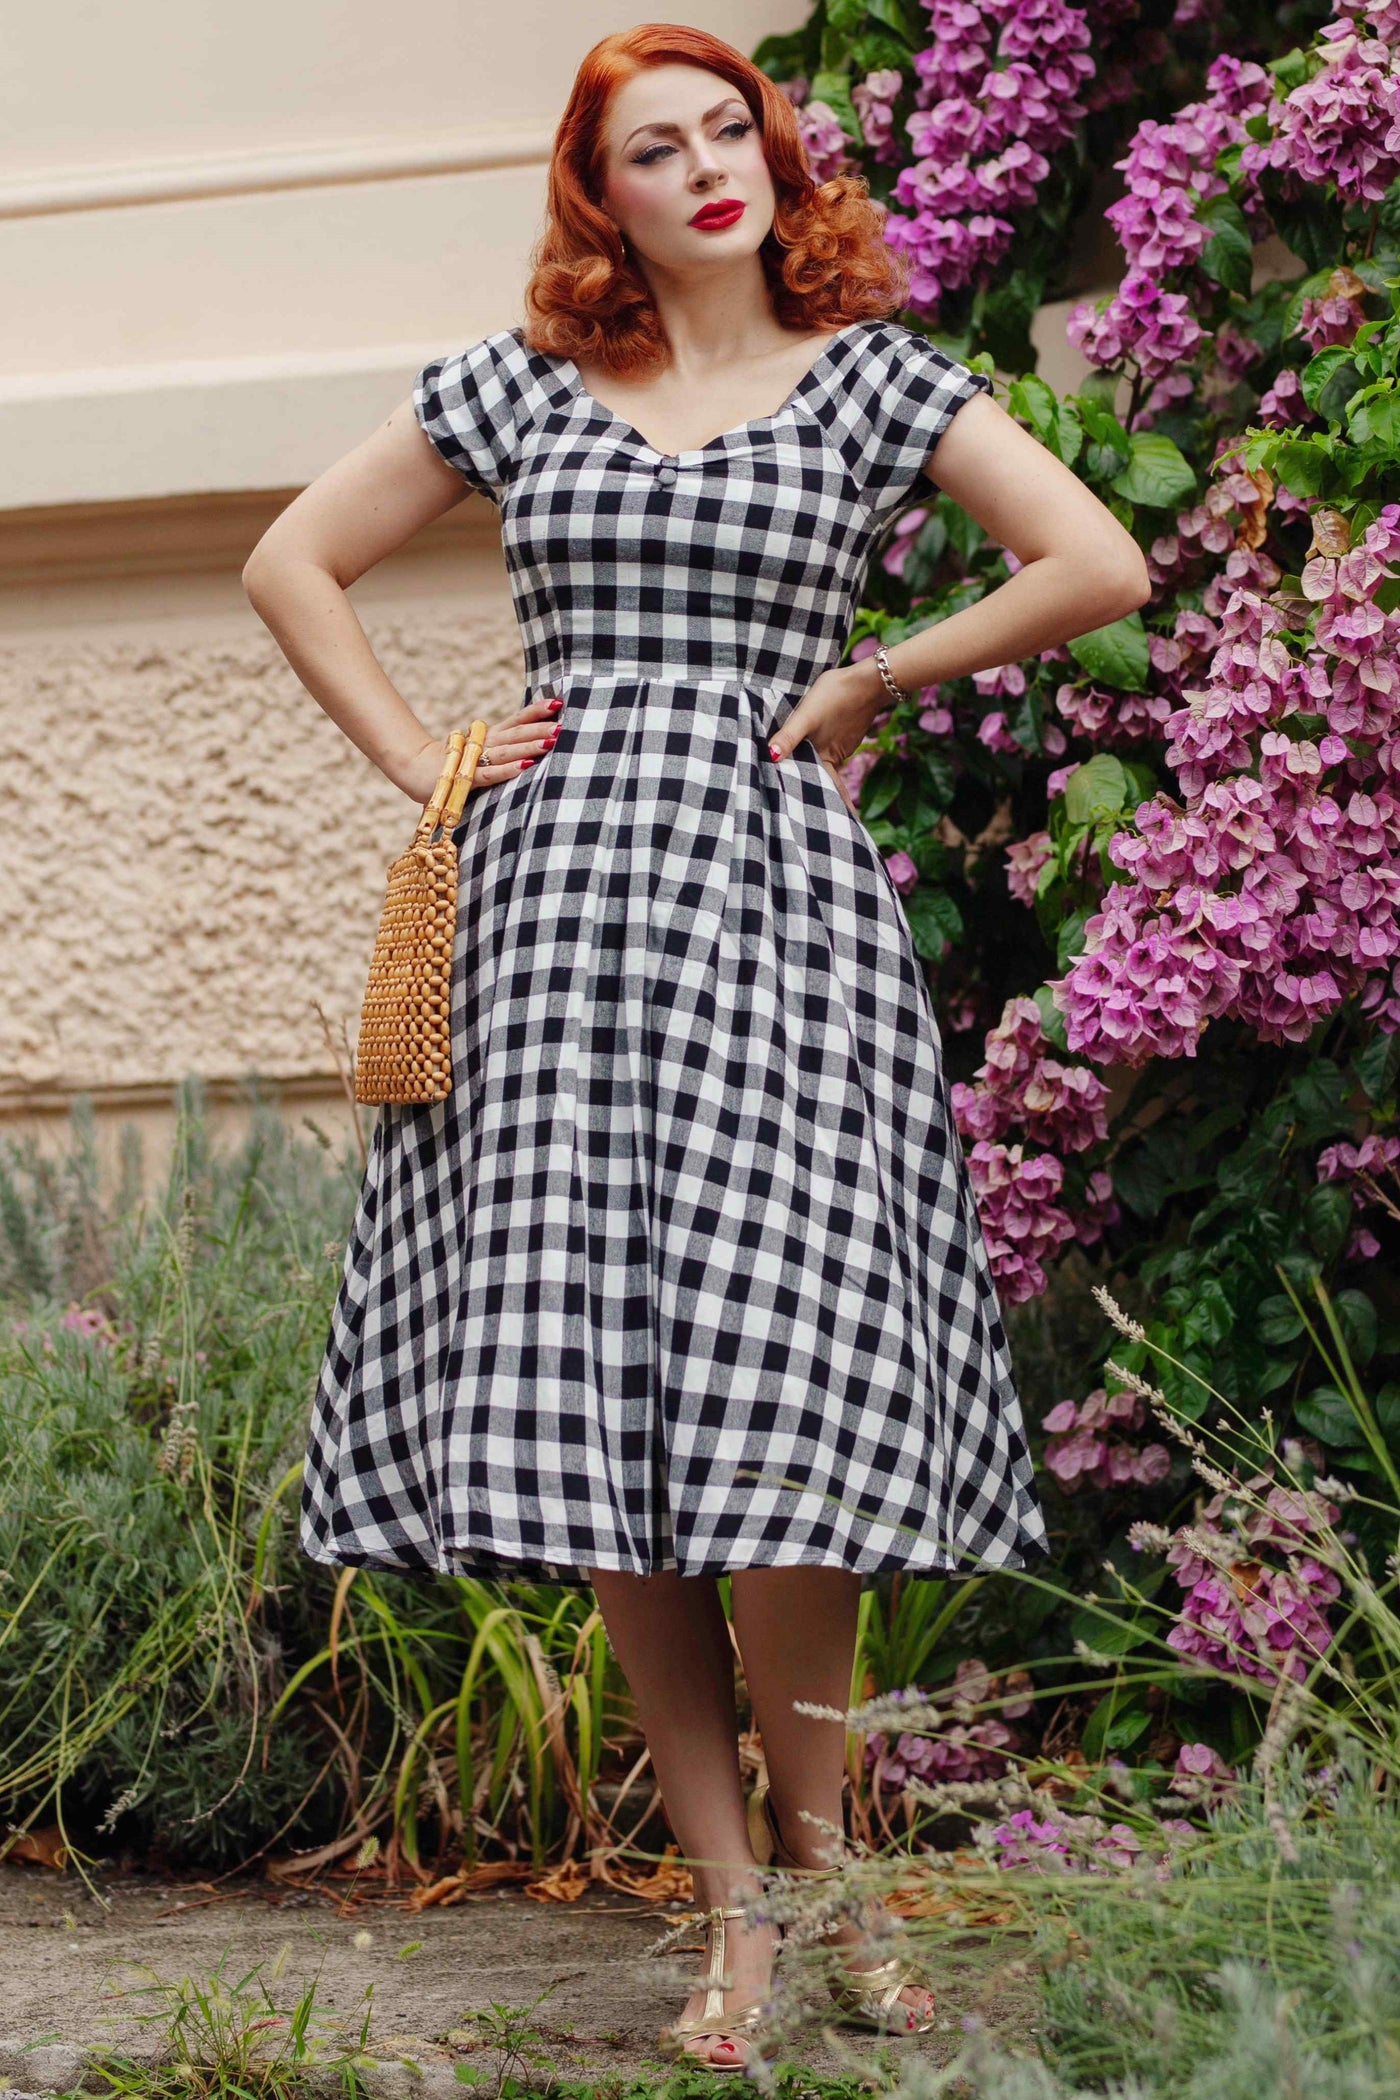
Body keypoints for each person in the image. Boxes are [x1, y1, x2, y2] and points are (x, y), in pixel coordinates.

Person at [243, 22, 1149, 2075]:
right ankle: (735, 1914)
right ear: (605, 196)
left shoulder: (874, 379)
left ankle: (829, 1895)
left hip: (772, 924)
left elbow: (1099, 557)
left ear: (770, 150)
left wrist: (870, 680)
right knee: (595, 1413)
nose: (702, 168)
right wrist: (427, 761)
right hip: (551, 927)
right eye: (651, 148)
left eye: (725, 129)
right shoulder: (521, 385)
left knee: (783, 1400)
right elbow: (290, 559)